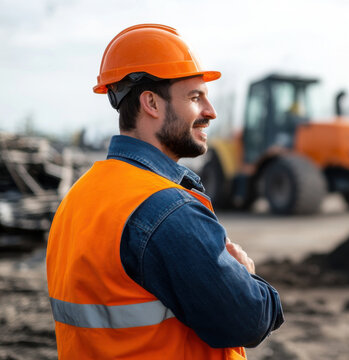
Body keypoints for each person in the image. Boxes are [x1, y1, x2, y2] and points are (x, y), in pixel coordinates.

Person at [46, 24, 283, 359]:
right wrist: (247, 276)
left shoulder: (78, 197)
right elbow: (250, 319)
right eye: (195, 97)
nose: (210, 112)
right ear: (151, 103)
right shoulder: (164, 210)